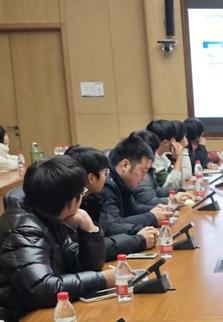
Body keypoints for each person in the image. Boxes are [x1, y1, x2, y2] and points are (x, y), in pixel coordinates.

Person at [0, 156, 114, 321]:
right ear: (71, 203)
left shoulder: (47, 217)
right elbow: (41, 289)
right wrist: (102, 280)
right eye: (82, 193)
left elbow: (85, 265)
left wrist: (89, 226)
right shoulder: (24, 230)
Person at [64, 145, 159, 261]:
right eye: (104, 173)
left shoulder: (92, 198)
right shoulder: (69, 205)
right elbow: (93, 249)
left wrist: (138, 230)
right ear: (91, 178)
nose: (106, 178)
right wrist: (139, 240)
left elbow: (110, 226)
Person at [103, 136, 173, 227]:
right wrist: (152, 217)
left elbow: (132, 208)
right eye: (143, 171)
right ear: (125, 165)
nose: (144, 177)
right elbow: (114, 224)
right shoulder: (105, 184)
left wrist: (155, 210)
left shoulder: (122, 180)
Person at [132, 129, 193, 206]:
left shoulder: (149, 167)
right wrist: (174, 199)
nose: (155, 155)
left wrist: (179, 191)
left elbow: (156, 190)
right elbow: (149, 201)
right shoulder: (142, 172)